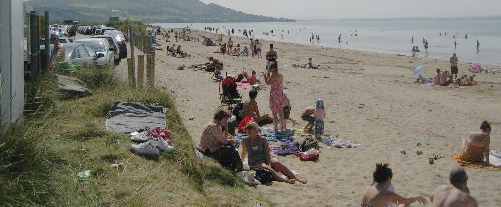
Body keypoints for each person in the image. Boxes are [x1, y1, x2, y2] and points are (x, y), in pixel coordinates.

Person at [240, 122, 307, 184]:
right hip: (254, 162)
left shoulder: (262, 140)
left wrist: (268, 163)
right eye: (247, 129)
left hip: (264, 158)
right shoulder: (245, 140)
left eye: (250, 129)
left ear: (256, 130)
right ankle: (285, 180)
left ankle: (296, 178)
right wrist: (241, 163)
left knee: (276, 162)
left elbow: (267, 153)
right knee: (266, 166)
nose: (248, 130)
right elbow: (244, 153)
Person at [361, 163, 428, 207]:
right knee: (405, 205)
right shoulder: (386, 194)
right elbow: (406, 200)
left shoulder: (368, 188)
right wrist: (418, 197)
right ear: (389, 179)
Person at [264, 62, 288, 133]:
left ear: (272, 68)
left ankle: (276, 129)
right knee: (281, 113)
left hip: (274, 95)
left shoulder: (273, 76)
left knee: (274, 114)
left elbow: (268, 83)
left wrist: (266, 77)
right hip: (280, 94)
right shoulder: (280, 75)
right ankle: (283, 128)